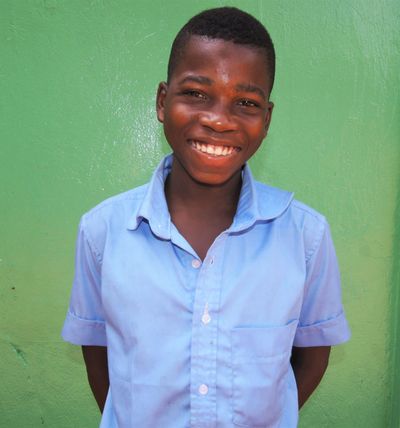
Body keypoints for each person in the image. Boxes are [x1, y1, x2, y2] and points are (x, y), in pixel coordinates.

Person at [62, 6, 350, 428]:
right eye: (196, 93)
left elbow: (311, 357)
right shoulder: (103, 231)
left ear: (266, 120)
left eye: (246, 102)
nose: (218, 119)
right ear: (163, 101)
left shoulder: (305, 236)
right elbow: (100, 358)